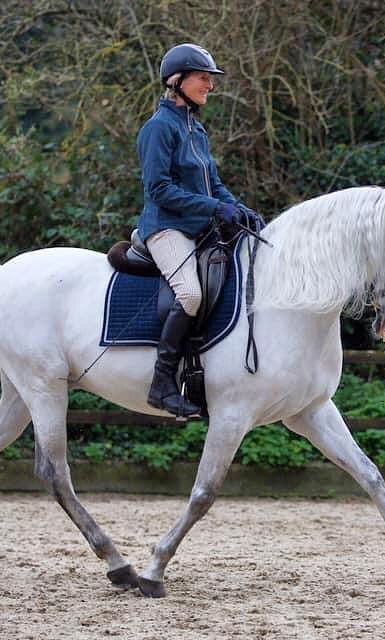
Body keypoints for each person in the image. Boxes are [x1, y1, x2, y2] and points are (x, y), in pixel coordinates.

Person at [137, 43, 258, 418]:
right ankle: (161, 384)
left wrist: (236, 207)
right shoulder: (158, 128)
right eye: (204, 78)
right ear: (178, 81)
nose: (210, 85)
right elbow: (159, 189)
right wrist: (213, 208)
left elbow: (213, 183)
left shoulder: (195, 128)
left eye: (210, 78)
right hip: (166, 228)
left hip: (198, 227)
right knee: (190, 293)